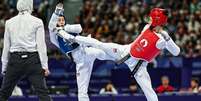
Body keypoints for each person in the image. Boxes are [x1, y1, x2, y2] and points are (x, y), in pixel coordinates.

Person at [57, 8, 180, 101]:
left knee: (150, 93)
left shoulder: (162, 40)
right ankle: (69, 37)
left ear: (156, 20)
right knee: (99, 45)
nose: (149, 19)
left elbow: (176, 52)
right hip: (124, 51)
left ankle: (79, 45)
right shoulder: (147, 27)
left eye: (151, 18)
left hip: (138, 67)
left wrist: (168, 38)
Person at [48, 3, 114, 101]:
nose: (61, 21)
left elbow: (79, 28)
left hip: (86, 51)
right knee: (82, 91)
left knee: (101, 52)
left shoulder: (68, 28)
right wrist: (57, 12)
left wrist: (64, 28)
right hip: (79, 61)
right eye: (59, 20)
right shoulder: (55, 37)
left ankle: (120, 55)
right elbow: (50, 26)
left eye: (63, 20)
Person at [0, 0, 52, 101]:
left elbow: (6, 47)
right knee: (43, 93)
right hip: (32, 60)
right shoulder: (38, 22)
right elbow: (41, 46)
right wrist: (45, 66)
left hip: (15, 60)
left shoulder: (9, 22)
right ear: (30, 5)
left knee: (3, 94)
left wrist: (4, 66)